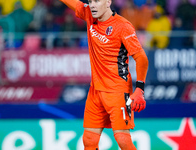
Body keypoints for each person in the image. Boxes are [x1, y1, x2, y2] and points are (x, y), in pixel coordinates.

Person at [59, 0, 148, 149]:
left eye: (97, 1)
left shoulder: (123, 26)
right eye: (90, 1)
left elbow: (141, 58)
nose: (92, 5)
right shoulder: (89, 14)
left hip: (118, 91)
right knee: (88, 140)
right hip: (96, 91)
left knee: (123, 140)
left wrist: (140, 89)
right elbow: (74, 2)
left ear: (108, 2)